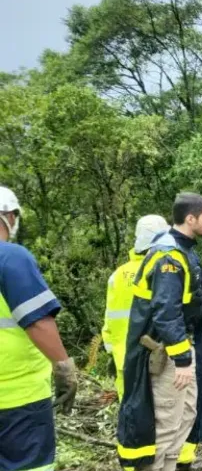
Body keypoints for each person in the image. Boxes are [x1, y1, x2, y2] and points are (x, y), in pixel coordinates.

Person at [117, 193, 202, 471]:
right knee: (165, 424)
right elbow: (165, 312)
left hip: (181, 350)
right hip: (169, 356)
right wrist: (183, 359)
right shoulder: (169, 257)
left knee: (185, 416)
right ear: (190, 218)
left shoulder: (182, 251)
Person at [0, 186, 78, 471]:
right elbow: (38, 320)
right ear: (9, 215)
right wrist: (64, 369)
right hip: (17, 399)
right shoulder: (10, 257)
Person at [103, 215, 170, 399]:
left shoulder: (117, 275)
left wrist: (112, 349)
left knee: (129, 413)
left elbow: (109, 320)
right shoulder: (163, 269)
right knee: (159, 416)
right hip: (156, 357)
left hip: (123, 358)